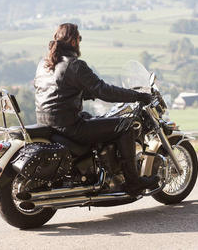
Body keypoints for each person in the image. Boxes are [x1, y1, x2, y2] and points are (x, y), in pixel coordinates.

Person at [34, 23, 159, 196]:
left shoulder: (45, 63)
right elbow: (105, 91)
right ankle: (133, 182)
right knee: (125, 127)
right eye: (79, 38)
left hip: (48, 123)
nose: (80, 42)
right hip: (69, 127)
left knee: (93, 118)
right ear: (72, 41)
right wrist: (137, 96)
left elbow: (56, 92)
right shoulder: (74, 65)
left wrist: (86, 94)